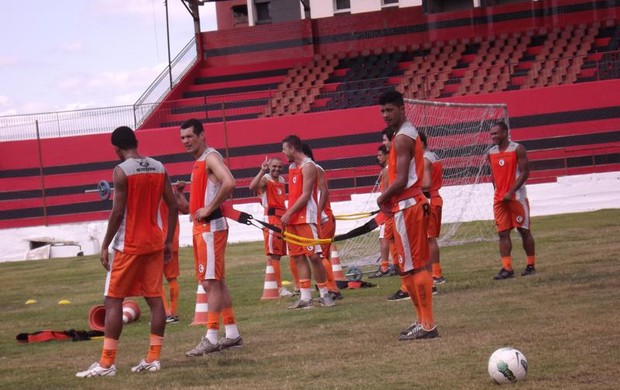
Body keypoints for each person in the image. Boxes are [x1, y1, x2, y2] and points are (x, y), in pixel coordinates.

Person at [76, 126, 178, 377]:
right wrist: (167, 240)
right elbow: (173, 205)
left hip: (128, 245)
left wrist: (104, 244)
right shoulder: (158, 166)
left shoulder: (121, 171)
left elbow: (118, 211)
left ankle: (107, 363)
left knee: (113, 301)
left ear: (117, 150)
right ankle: (153, 359)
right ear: (136, 141)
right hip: (154, 242)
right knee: (155, 301)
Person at [177, 118, 243, 356]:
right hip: (202, 229)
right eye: (182, 138)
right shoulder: (199, 163)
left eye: (189, 136)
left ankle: (212, 337)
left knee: (210, 283)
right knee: (216, 282)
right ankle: (232, 334)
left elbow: (230, 182)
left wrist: (208, 208)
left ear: (202, 135)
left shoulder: (211, 158)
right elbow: (195, 204)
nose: (185, 141)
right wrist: (185, 199)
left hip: (211, 228)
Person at [376, 90, 438, 340]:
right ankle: (423, 321)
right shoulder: (407, 134)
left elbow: (402, 179)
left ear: (402, 108)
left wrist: (382, 198)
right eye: (382, 111)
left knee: (413, 267)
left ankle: (427, 325)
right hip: (410, 205)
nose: (385, 115)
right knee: (408, 268)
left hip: (408, 205)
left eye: (389, 110)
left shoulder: (402, 138)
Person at [281, 135, 335, 309]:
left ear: (293, 149)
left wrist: (289, 212)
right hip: (293, 219)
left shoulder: (309, 166)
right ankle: (305, 297)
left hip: (305, 217)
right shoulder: (292, 167)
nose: (283, 153)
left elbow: (305, 195)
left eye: (284, 149)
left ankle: (325, 293)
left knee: (314, 256)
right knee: (297, 257)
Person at [487, 121, 537, 280]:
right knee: (502, 233)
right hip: (500, 199)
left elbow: (525, 173)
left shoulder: (517, 149)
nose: (493, 136)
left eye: (496, 133)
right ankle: (507, 268)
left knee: (524, 231)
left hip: (517, 198)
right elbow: (494, 175)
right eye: (491, 134)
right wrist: (498, 191)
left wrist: (511, 191)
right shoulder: (491, 153)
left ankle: (531, 265)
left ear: (505, 133)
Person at [248, 156, 294, 297]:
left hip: (282, 218)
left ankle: (294, 285)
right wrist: (262, 171)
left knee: (279, 254)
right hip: (271, 220)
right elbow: (252, 187)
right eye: (274, 166)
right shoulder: (265, 179)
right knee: (273, 254)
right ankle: (279, 288)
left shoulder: (282, 180)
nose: (277, 169)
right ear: (269, 167)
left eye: (279, 166)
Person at [302, 143, 342, 301]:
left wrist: (318, 214)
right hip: (322, 218)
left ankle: (332, 289)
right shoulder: (309, 169)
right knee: (321, 256)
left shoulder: (315, 168)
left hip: (323, 218)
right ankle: (326, 287)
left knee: (320, 256)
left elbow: (324, 191)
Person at [419, 131, 446, 285]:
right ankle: (434, 272)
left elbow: (427, 183)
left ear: (421, 143)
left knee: (429, 239)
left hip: (429, 199)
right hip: (435, 198)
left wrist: (410, 186)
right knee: (430, 238)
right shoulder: (433, 156)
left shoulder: (424, 159)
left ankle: (436, 274)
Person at [159, 182, 183, 324]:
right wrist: (179, 192)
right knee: (172, 279)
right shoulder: (173, 197)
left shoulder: (153, 197)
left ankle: (166, 313)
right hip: (172, 239)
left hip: (158, 240)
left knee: (156, 280)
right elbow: (186, 208)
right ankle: (173, 313)